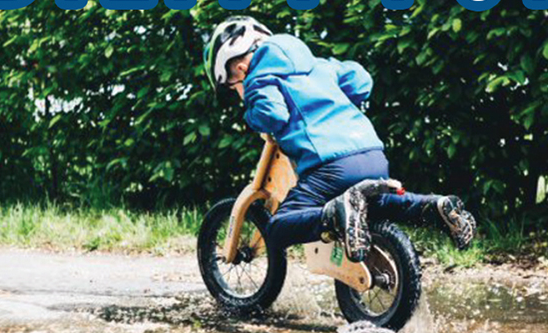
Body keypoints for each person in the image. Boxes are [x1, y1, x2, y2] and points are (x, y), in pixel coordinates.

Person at [203, 16, 476, 262]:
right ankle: (434, 207)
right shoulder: (319, 65)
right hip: (371, 153)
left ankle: (334, 214)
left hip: (329, 165)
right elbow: (361, 81)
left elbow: (273, 114)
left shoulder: (259, 78)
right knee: (378, 205)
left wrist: (252, 114)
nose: (237, 92)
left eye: (232, 86)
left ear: (240, 68)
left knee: (278, 227)